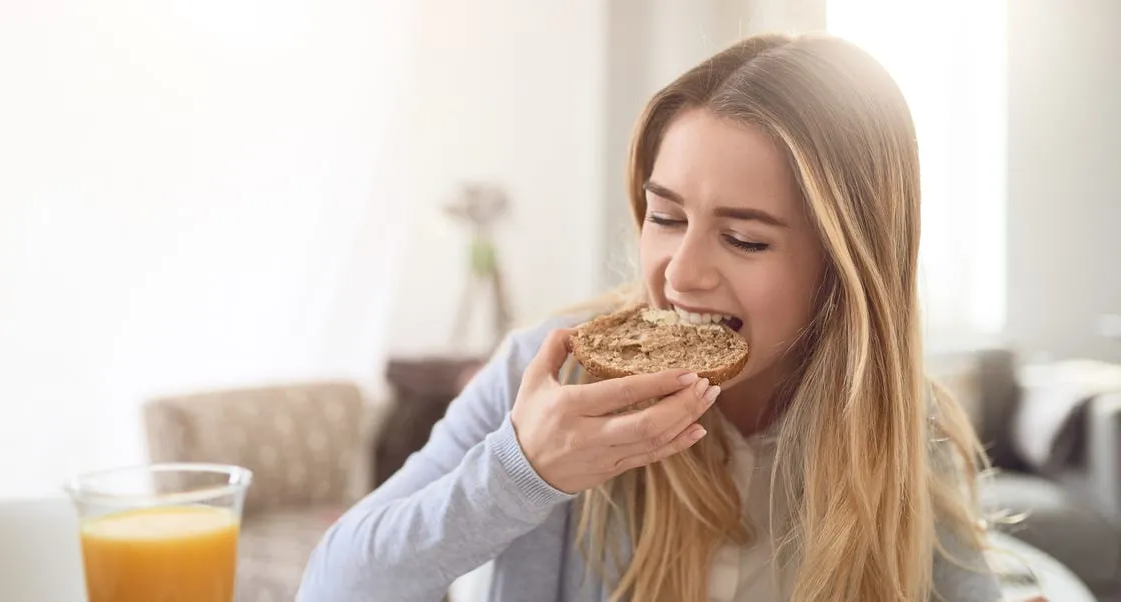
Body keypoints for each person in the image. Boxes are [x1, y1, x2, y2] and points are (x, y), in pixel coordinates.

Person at [297, 32, 1019, 602]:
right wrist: (523, 471)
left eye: (744, 238)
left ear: (845, 266)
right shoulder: (549, 377)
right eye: (665, 216)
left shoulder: (893, 422)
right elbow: (335, 585)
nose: (679, 272)